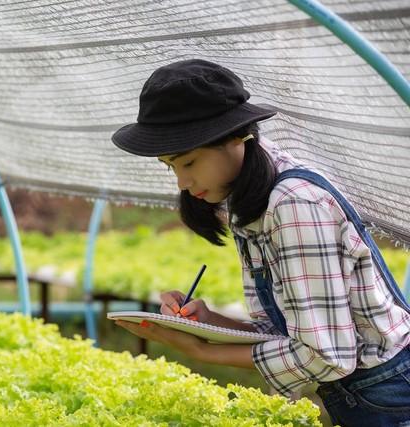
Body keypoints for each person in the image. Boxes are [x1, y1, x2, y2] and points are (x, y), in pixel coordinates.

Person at [110, 59, 410, 426]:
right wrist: (209, 323)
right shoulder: (252, 196)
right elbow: (292, 334)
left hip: (390, 396)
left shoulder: (294, 206)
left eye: (189, 162)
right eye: (171, 166)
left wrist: (202, 351)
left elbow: (329, 356)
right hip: (370, 393)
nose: (182, 183)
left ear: (237, 137)